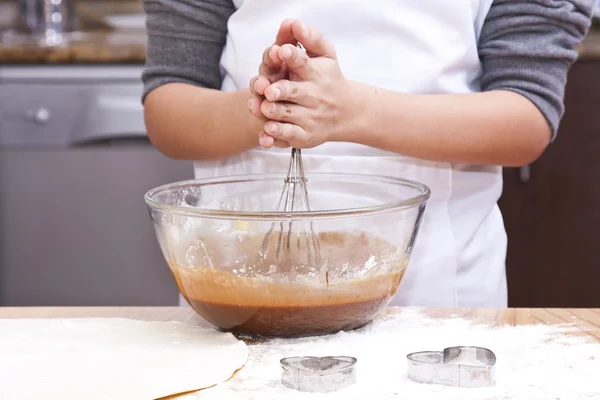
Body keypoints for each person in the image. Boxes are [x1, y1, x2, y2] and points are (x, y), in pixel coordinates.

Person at [141, 0, 594, 308]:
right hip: (237, 287)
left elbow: (527, 117)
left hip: (435, 290)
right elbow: (167, 111)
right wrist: (271, 106)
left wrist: (352, 112)